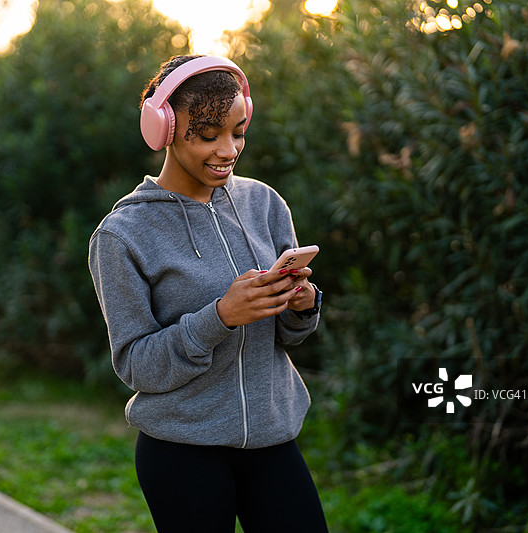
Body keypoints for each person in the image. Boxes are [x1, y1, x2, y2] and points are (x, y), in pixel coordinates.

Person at [88, 54, 328, 533]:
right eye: (208, 135)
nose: (228, 149)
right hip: (181, 450)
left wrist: (301, 306)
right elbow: (135, 363)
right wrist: (220, 317)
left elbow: (289, 337)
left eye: (238, 132)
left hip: (272, 439)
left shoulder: (264, 203)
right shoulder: (122, 234)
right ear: (165, 129)